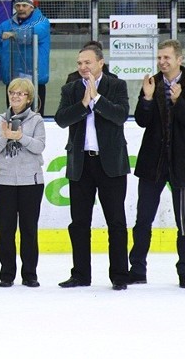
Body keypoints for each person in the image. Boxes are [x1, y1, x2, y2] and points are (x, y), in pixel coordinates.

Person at [128, 39, 185, 289]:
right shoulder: (152, 84)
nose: (162, 62)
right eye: (159, 57)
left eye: (167, 58)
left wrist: (178, 100)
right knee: (143, 219)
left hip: (181, 164)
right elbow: (141, 121)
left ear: (179, 59)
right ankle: (137, 268)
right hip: (152, 163)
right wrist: (147, 99)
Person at [54, 44, 130, 291]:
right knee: (79, 223)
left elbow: (120, 116)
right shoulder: (71, 89)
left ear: (100, 63)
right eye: (79, 63)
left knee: (116, 222)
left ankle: (119, 275)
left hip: (110, 164)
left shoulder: (116, 86)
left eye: (87, 62)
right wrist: (83, 104)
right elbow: (61, 119)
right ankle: (80, 274)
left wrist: (96, 99)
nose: (83, 67)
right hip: (81, 164)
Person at [0, 78, 45, 288]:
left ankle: (29, 273)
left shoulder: (36, 121)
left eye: (20, 94)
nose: (15, 96)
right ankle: (7, 273)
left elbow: (39, 146)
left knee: (29, 229)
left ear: (28, 98)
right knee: (6, 229)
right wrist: (5, 137)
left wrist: (20, 137)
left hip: (31, 182)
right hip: (4, 182)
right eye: (12, 92)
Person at [0, 0, 50, 115]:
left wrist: (13, 34)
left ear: (32, 7)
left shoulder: (42, 21)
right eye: (18, 5)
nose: (21, 8)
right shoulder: (7, 24)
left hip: (35, 79)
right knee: (13, 117)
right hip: (13, 78)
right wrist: (5, 56)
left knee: (35, 118)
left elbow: (33, 33)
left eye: (24, 5)